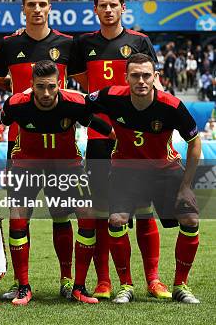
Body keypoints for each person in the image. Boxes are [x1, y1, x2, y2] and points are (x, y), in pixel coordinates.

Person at [0, 0, 79, 300]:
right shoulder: (9, 46)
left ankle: (67, 282)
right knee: (19, 215)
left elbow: (87, 90)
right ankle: (22, 283)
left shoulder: (68, 44)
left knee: (62, 214)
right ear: (22, 8)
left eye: (42, 4)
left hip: (63, 143)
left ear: (51, 7)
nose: (37, 9)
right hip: (22, 144)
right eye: (31, 4)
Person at [69, 0, 165, 300]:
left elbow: (156, 83)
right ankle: (104, 281)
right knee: (100, 211)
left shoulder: (140, 42)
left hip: (136, 141)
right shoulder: (84, 44)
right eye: (103, 5)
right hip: (99, 138)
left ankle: (153, 279)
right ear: (95, 10)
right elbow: (84, 85)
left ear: (123, 7)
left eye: (113, 5)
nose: (108, 10)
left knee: (144, 208)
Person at [0, 60, 113, 305]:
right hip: (27, 165)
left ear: (59, 85)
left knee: (86, 215)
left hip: (66, 165)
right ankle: (23, 286)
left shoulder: (75, 103)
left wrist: (122, 145)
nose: (46, 93)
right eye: (40, 87)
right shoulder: (16, 105)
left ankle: (76, 285)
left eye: (51, 87)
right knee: (17, 218)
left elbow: (103, 127)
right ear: (31, 86)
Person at [86, 54, 201, 304]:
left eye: (146, 75)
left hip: (165, 170)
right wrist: (106, 130)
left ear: (155, 77)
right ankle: (125, 285)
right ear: (126, 77)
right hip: (126, 171)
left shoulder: (170, 105)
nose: (141, 80)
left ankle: (181, 285)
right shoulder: (111, 97)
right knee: (116, 221)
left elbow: (195, 142)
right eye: (135, 75)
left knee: (191, 218)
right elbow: (80, 105)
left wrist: (186, 186)